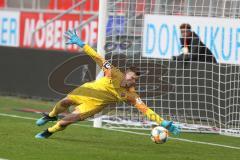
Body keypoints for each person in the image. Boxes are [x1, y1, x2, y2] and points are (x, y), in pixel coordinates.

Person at [35, 29, 180, 139]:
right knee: (65, 101)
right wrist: (82, 44)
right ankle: (52, 115)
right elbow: (97, 57)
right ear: (126, 74)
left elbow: (146, 110)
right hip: (87, 90)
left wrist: (163, 123)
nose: (133, 80)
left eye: (135, 79)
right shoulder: (114, 72)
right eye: (132, 77)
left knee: (68, 120)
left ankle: (49, 132)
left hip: (94, 105)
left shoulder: (131, 95)